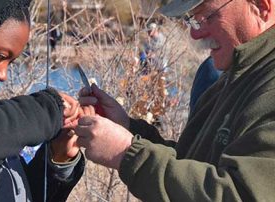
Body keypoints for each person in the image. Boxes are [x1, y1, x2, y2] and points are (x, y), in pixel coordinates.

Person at [75, 0, 275, 201]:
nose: (195, 34)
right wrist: (126, 128)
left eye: (207, 17)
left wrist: (126, 154)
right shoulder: (236, 74)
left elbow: (238, 194)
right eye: (194, 20)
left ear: (261, 7)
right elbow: (192, 161)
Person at [0, 0, 93, 201]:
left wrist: (57, 157)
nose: (3, 75)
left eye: (10, 63)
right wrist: (48, 109)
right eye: (0, 56)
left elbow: (13, 191)